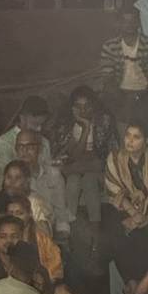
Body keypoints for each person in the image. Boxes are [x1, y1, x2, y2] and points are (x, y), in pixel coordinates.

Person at [48, 86, 118, 240]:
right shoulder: (66, 124)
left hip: (97, 168)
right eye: (78, 106)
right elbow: (70, 155)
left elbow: (109, 154)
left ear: (93, 106)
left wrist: (90, 164)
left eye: (87, 106)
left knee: (89, 180)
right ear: (72, 107)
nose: (83, 110)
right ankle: (70, 230)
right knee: (73, 181)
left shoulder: (103, 121)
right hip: (73, 166)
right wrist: (85, 128)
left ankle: (95, 232)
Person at [103, 122, 148, 283]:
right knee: (116, 232)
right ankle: (130, 282)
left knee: (147, 234)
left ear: (146, 141)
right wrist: (134, 214)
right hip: (123, 206)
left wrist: (144, 218)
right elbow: (114, 189)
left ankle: (146, 281)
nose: (130, 141)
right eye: (127, 136)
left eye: (136, 137)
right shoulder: (115, 157)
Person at [100, 4, 148, 125]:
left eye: (133, 21)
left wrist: (139, 97)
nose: (129, 24)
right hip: (120, 92)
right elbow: (108, 78)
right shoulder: (109, 46)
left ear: (139, 23)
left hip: (144, 91)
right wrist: (124, 98)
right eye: (125, 21)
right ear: (119, 23)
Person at [0, 95, 52, 192]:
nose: (39, 129)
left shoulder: (44, 142)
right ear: (22, 118)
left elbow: (49, 175)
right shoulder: (3, 143)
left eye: (42, 124)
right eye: (35, 124)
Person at [14, 129, 69, 236]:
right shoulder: (11, 177)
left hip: (46, 231)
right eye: (20, 147)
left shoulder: (53, 174)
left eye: (30, 147)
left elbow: (61, 211)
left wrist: (63, 232)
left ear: (39, 148)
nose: (24, 151)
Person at [4, 194, 63, 281]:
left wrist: (42, 280)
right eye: (11, 213)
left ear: (30, 214)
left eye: (19, 213)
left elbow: (55, 266)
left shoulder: (41, 239)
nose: (14, 217)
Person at [0, 160, 53, 232]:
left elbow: (45, 233)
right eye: (9, 177)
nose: (12, 182)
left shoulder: (35, 203)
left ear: (26, 181)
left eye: (17, 178)